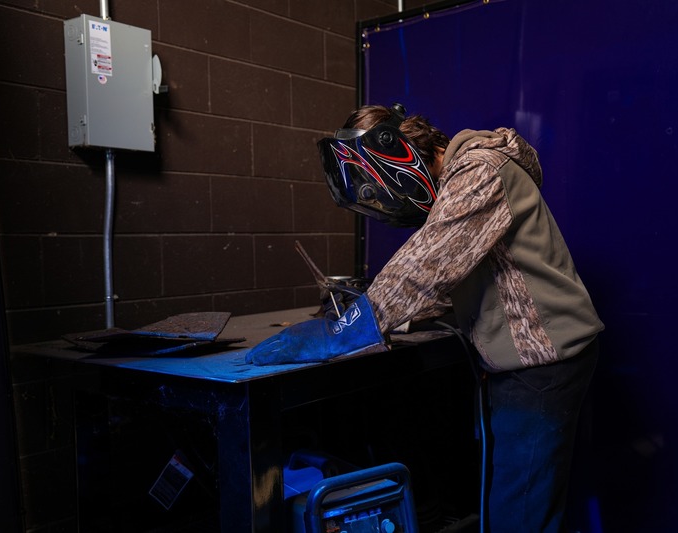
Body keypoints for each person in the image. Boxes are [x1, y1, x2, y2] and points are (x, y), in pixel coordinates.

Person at [247, 103, 604, 532]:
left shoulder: (478, 171)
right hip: (533, 357)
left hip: (542, 362)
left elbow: (426, 266)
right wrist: (383, 311)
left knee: (520, 512)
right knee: (513, 500)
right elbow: (464, 276)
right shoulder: (470, 172)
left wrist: (341, 331)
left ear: (397, 152)